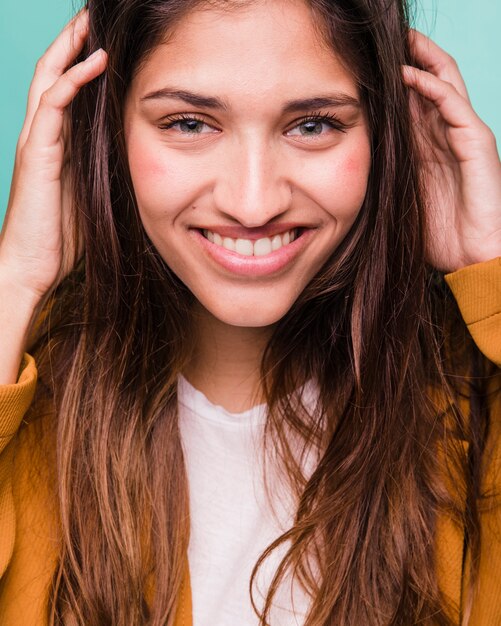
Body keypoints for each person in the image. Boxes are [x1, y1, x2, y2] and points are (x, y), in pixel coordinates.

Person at [0, 0, 500, 624]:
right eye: (188, 123)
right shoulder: (25, 416)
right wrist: (14, 280)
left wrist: (494, 261)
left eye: (313, 124)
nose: (253, 201)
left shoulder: (472, 400)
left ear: (384, 134)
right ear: (104, 134)